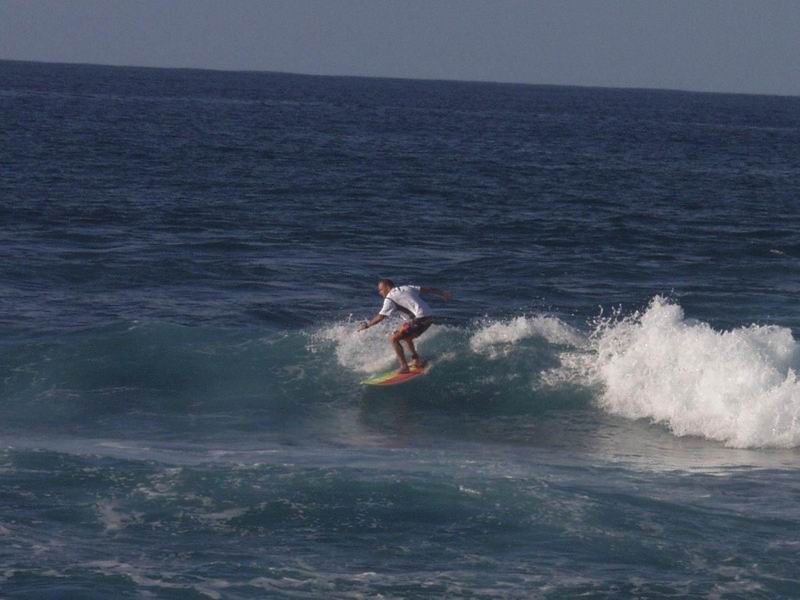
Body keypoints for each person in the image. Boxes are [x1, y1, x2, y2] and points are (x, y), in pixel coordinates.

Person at [359, 279, 451, 373]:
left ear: (387, 287)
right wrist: (442, 293)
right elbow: (428, 289)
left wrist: (367, 325)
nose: (380, 293)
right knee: (404, 334)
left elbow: (381, 316)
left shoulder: (390, 299)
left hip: (419, 319)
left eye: (381, 290)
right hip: (429, 317)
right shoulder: (406, 288)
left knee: (393, 339)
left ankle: (404, 367)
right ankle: (416, 360)